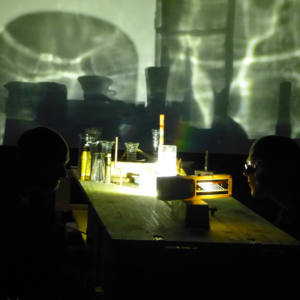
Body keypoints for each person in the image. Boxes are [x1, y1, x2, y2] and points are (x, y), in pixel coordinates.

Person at [1, 126, 70, 299]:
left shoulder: (29, 193)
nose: (63, 174)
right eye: (58, 164)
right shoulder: (9, 205)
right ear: (35, 161)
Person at [243, 135, 300, 240]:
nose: (246, 172)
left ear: (281, 166)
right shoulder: (288, 212)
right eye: (247, 165)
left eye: (255, 164)